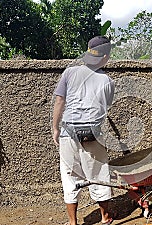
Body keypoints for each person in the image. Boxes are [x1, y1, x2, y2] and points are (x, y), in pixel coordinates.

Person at [52, 36, 115, 225]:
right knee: (98, 174)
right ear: (105, 57)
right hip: (92, 135)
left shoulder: (69, 73)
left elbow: (59, 101)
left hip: (68, 133)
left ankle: (73, 222)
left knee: (69, 175)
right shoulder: (107, 81)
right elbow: (105, 107)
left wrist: (55, 128)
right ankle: (104, 217)